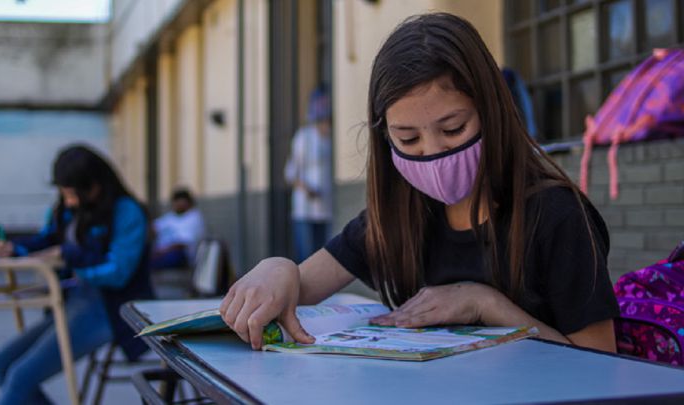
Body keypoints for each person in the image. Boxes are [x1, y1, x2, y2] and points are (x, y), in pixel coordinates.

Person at [219, 13, 620, 353]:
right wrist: (278, 268)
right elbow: (300, 284)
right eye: (408, 139)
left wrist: (485, 304)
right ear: (384, 137)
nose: (433, 153)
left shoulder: (557, 216)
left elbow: (600, 361)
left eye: (453, 128)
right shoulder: (398, 216)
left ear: (493, 111)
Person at [0, 145, 153, 405]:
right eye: (63, 193)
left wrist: (67, 258)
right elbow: (47, 239)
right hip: (73, 302)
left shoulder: (127, 212)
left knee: (21, 377)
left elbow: (119, 273)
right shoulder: (67, 211)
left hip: (109, 309)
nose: (68, 201)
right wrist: (15, 248)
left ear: (95, 185)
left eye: (72, 193)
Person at [284, 85, 334, 263]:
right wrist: (306, 189)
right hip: (305, 209)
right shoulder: (304, 137)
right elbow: (290, 173)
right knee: (306, 258)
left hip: (327, 208)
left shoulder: (332, 138)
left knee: (324, 259)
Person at [150, 187, 206, 270]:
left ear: (188, 202)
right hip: (162, 253)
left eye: (180, 201)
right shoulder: (171, 216)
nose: (177, 204)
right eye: (175, 201)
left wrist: (162, 251)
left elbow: (182, 243)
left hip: (181, 256)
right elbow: (154, 228)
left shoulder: (194, 217)